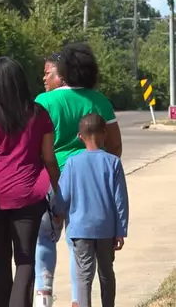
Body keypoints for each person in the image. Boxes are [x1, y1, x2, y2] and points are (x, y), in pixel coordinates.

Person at [0, 57, 60, 307]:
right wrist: (58, 190)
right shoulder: (38, 114)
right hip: (30, 194)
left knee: (0, 256)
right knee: (25, 259)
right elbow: (49, 159)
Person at [34, 43, 124, 307]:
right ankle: (78, 299)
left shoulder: (45, 101)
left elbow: (34, 145)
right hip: (90, 185)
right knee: (80, 243)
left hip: (53, 178)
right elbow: (115, 145)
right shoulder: (99, 101)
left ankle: (44, 296)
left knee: (45, 238)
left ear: (63, 71)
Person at [58, 113, 129, 307]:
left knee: (83, 276)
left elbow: (62, 197)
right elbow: (120, 200)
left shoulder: (72, 163)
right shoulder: (113, 162)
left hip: (80, 229)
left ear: (80, 137)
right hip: (106, 228)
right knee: (106, 272)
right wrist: (120, 231)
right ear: (105, 134)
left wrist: (56, 214)